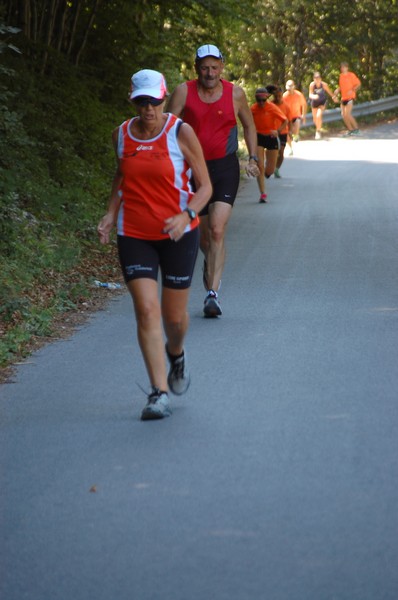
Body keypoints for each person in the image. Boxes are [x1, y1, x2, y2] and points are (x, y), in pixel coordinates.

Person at [97, 69, 212, 421]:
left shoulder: (180, 131)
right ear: (133, 101)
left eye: (155, 101)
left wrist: (186, 214)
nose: (149, 108)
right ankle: (158, 392)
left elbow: (205, 186)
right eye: (142, 102)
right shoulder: (121, 135)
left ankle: (176, 353)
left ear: (164, 98)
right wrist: (109, 212)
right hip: (134, 233)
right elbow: (122, 177)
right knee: (146, 310)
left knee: (174, 319)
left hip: (179, 233)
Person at [167, 44, 259, 318]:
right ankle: (213, 267)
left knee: (217, 230)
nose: (210, 73)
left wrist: (253, 158)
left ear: (222, 67)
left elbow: (249, 126)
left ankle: (212, 294)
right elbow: (168, 127)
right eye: (204, 67)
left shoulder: (236, 94)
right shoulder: (183, 91)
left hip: (224, 168)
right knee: (205, 239)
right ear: (196, 68)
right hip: (193, 170)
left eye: (214, 67)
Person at [250, 86, 288, 201]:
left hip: (271, 137)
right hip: (258, 137)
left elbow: (285, 120)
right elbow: (247, 123)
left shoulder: (272, 107)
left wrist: (278, 131)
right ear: (256, 99)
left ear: (267, 98)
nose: (261, 103)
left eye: (263, 100)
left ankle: (268, 172)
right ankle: (263, 193)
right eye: (259, 100)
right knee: (260, 165)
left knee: (270, 169)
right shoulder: (252, 109)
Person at [334, 62, 361, 135]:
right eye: (341, 67)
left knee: (348, 114)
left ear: (347, 68)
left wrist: (352, 90)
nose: (342, 69)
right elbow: (341, 86)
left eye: (344, 67)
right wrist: (337, 90)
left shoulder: (351, 75)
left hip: (350, 97)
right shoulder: (341, 76)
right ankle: (351, 130)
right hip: (343, 98)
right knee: (343, 115)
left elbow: (358, 84)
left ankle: (357, 129)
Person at [308, 71, 337, 139]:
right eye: (315, 78)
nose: (317, 80)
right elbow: (310, 94)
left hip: (322, 102)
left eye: (318, 78)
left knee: (318, 115)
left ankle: (318, 131)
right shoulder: (312, 85)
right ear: (313, 79)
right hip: (314, 103)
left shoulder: (324, 85)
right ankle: (318, 127)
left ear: (321, 79)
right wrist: (314, 96)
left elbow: (330, 92)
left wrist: (334, 98)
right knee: (315, 119)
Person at [272, 86, 292, 176]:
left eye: (279, 96)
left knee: (281, 152)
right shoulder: (270, 105)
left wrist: (290, 132)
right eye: (276, 96)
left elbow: (290, 120)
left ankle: (276, 169)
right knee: (274, 152)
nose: (278, 98)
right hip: (272, 132)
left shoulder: (286, 106)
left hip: (283, 132)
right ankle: (270, 165)